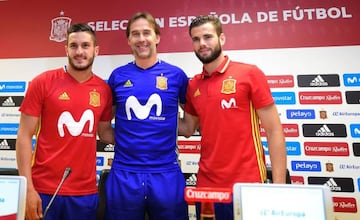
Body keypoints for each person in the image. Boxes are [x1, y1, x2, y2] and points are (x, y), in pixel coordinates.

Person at [178, 15, 287, 220]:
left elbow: (274, 131)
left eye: (208, 37)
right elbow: (187, 128)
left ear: (222, 38)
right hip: (206, 188)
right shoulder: (193, 85)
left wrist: (278, 187)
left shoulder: (249, 74)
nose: (202, 44)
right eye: (196, 39)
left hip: (247, 186)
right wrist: (148, 119)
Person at [16, 23, 114, 220]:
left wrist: (147, 137)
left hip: (85, 193)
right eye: (73, 46)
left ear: (96, 50)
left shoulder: (104, 89)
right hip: (43, 189)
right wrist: (27, 188)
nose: (79, 52)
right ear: (66, 48)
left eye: (85, 46)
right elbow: (24, 136)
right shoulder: (42, 82)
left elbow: (105, 133)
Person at [104, 12, 189, 220]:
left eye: (146, 33)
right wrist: (127, 139)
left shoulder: (177, 75)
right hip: (124, 172)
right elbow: (104, 127)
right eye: (135, 34)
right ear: (129, 40)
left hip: (166, 173)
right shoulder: (117, 76)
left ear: (157, 37)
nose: (141, 39)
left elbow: (189, 126)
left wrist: (162, 127)